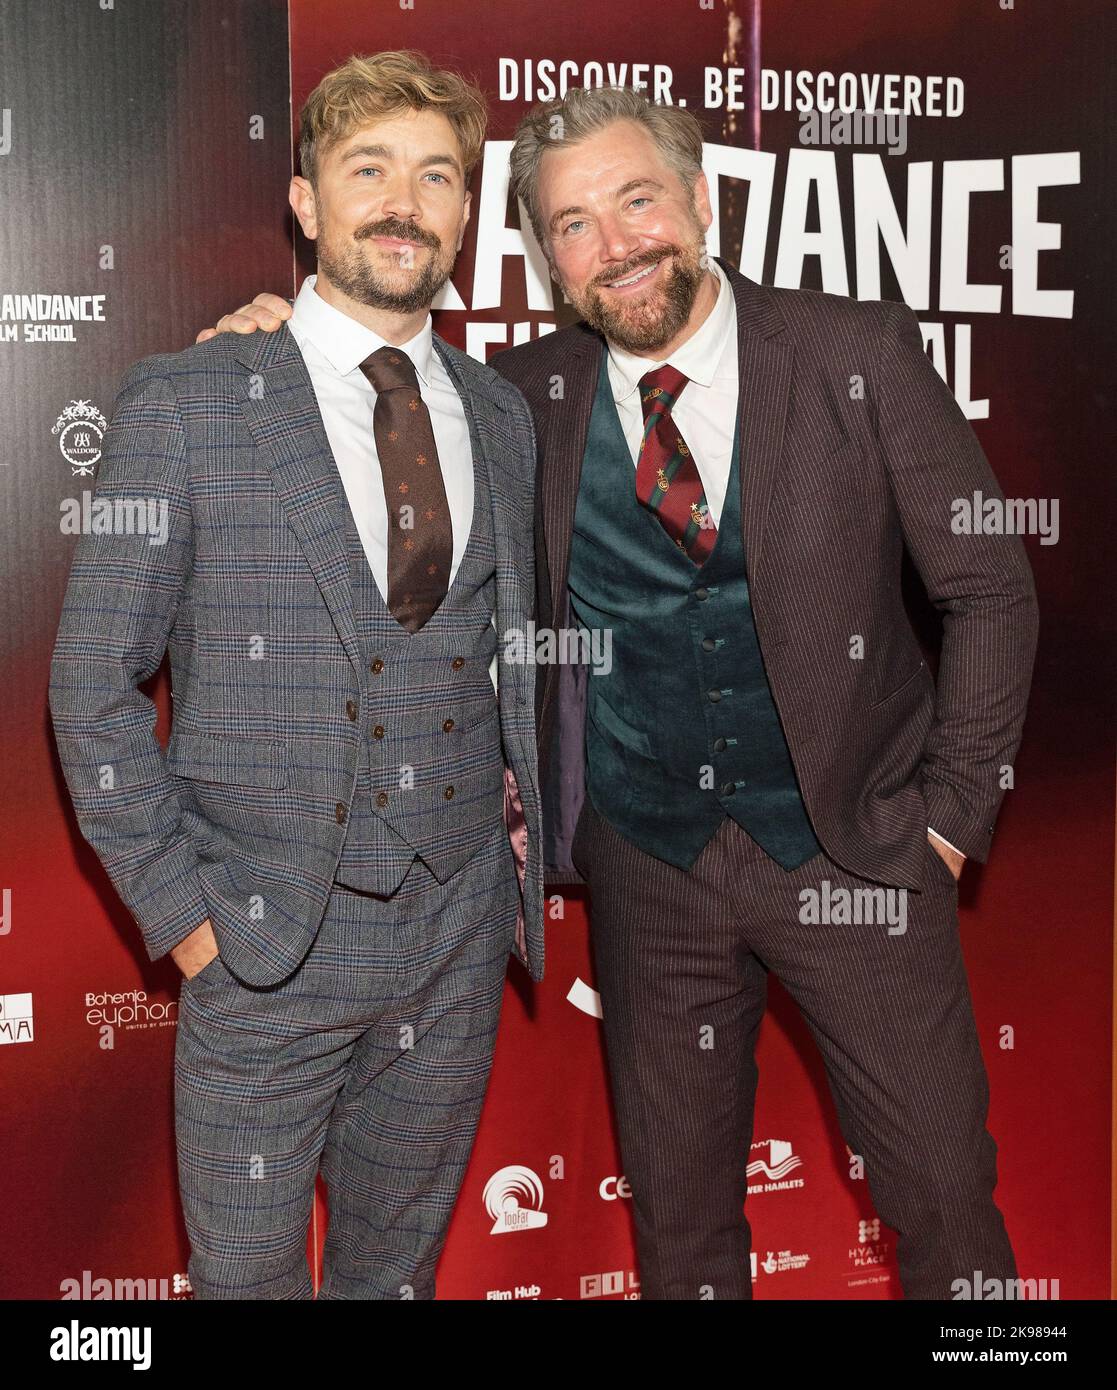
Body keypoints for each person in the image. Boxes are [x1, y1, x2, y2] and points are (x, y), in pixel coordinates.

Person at [197, 84, 1039, 1300]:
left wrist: (951, 822)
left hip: (858, 861)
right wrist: (266, 357)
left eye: (637, 200)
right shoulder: (521, 399)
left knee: (947, 1206)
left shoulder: (854, 352)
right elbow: (368, 396)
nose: (617, 242)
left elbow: (991, 587)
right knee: (684, 1236)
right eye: (574, 224)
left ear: (698, 201)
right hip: (651, 874)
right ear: (545, 259)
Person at [49, 50, 542, 1301]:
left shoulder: (500, 415)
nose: (403, 202)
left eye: (437, 175)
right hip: (263, 947)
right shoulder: (186, 402)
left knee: (396, 1281)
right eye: (366, 168)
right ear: (306, 202)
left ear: (467, 212)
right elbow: (93, 686)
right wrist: (190, 922)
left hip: (455, 934)